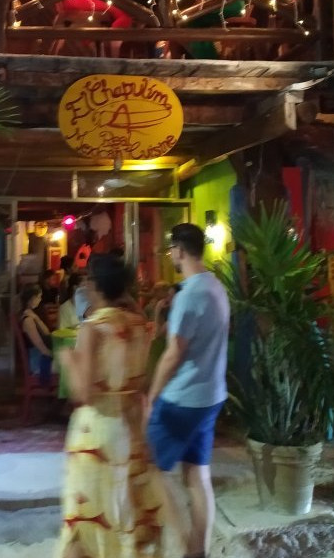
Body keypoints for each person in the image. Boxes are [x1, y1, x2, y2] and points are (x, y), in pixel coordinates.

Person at [56, 253, 163, 558]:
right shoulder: (140, 325)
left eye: (89, 280)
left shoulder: (92, 328)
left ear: (96, 285)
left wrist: (68, 359)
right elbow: (143, 380)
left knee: (89, 516)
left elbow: (84, 392)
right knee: (128, 511)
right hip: (131, 429)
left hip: (98, 432)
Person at [146, 223, 230, 558]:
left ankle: (183, 544)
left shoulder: (189, 294)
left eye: (171, 250)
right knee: (197, 474)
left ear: (179, 251)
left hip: (182, 399)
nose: (170, 256)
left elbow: (173, 353)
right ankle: (199, 551)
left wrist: (152, 395)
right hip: (211, 395)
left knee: (152, 470)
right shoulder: (217, 287)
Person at [19, 285, 54, 386]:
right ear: (32, 298)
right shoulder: (28, 320)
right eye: (39, 297)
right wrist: (56, 356)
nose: (40, 299)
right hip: (38, 361)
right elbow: (42, 348)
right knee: (69, 365)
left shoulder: (32, 315)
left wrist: (36, 318)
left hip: (41, 356)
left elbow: (47, 332)